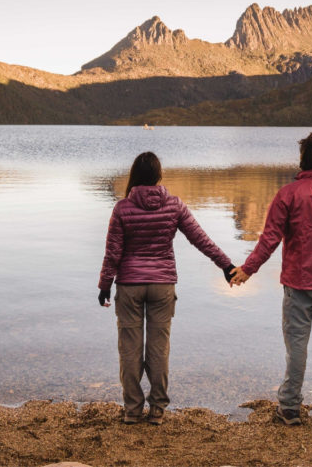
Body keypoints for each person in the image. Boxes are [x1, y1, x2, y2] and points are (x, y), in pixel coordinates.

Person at [230, 131, 312, 426]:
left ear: (302, 161)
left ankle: (289, 408)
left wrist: (248, 270)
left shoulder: (287, 195)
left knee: (297, 347)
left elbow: (269, 239)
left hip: (298, 284)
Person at [98, 151, 236, 425]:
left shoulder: (122, 208)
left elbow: (113, 253)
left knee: (130, 349)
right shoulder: (174, 205)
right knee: (158, 348)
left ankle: (133, 410)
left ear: (135, 176)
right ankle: (158, 410)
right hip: (163, 286)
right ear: (159, 176)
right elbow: (200, 238)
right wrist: (226, 265)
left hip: (129, 286)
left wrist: (104, 285)